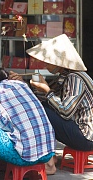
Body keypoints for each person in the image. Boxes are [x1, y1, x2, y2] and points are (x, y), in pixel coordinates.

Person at [19, 34, 93, 170]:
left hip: (86, 137)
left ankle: (48, 160)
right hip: (81, 132)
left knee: (41, 112)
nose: (45, 65)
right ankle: (48, 156)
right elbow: (50, 100)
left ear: (60, 62)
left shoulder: (75, 78)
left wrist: (47, 90)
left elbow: (65, 112)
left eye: (48, 62)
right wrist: (24, 83)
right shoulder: (65, 77)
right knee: (41, 107)